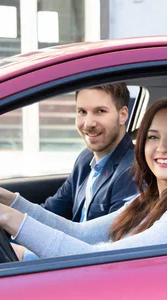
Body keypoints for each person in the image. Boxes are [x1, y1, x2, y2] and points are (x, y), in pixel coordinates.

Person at [0, 98, 167, 260]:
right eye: (153, 137)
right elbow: (80, 234)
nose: (162, 147)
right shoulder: (151, 199)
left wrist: (3, 216)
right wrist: (5, 200)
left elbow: (100, 261)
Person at [43, 83, 138, 222]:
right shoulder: (85, 158)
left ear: (123, 115)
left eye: (100, 111)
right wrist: (7, 205)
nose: (88, 123)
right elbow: (51, 212)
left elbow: (111, 240)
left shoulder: (133, 170)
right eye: (82, 111)